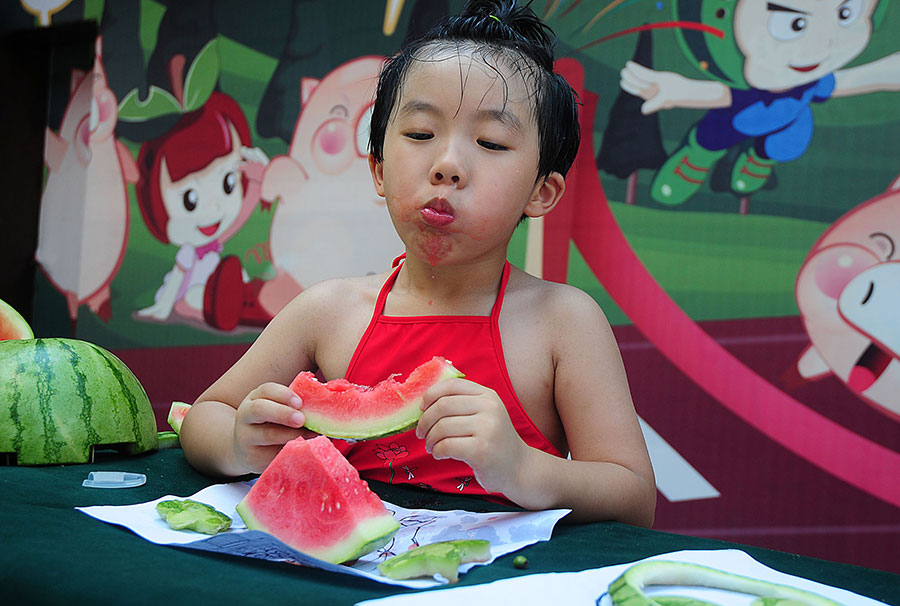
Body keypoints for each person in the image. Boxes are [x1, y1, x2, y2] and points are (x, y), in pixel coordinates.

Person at [180, 0, 656, 527]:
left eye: (491, 142)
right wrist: (238, 444)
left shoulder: (563, 322)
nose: (447, 165)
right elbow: (204, 416)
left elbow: (633, 496)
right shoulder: (328, 310)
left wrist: (525, 469)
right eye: (420, 135)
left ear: (541, 192)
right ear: (379, 170)